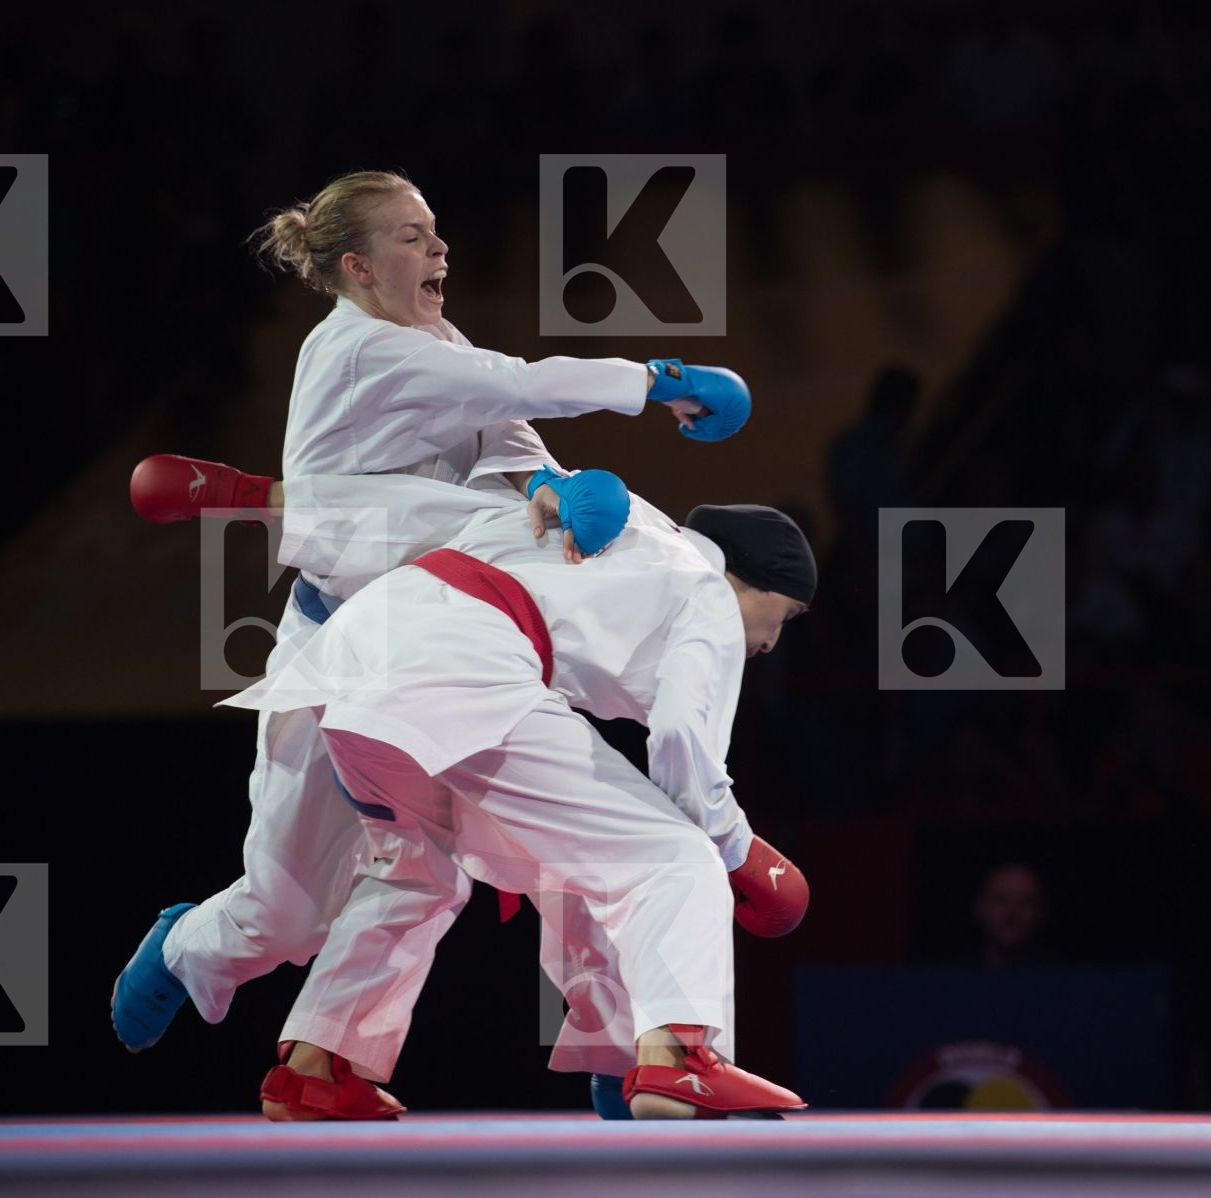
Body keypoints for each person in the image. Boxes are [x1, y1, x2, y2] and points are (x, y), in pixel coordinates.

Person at [109, 169, 753, 1112]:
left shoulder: (434, 338)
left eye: (437, 231)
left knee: (442, 865)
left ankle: (321, 1068)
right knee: (282, 913)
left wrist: (544, 485)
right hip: (333, 652)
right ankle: (181, 945)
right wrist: (656, 381)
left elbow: (508, 427)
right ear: (359, 267)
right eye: (413, 238)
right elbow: (518, 383)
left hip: (434, 649)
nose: (440, 250)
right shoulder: (361, 351)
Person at [223, 470, 817, 1117]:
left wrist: (253, 495)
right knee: (677, 859)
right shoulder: (706, 587)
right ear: (751, 578)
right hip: (464, 668)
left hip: (351, 659)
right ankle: (679, 1061)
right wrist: (738, 851)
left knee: (418, 874)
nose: (774, 640)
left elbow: (415, 504)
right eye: (784, 615)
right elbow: (681, 743)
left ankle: (315, 1070)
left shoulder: (620, 528)